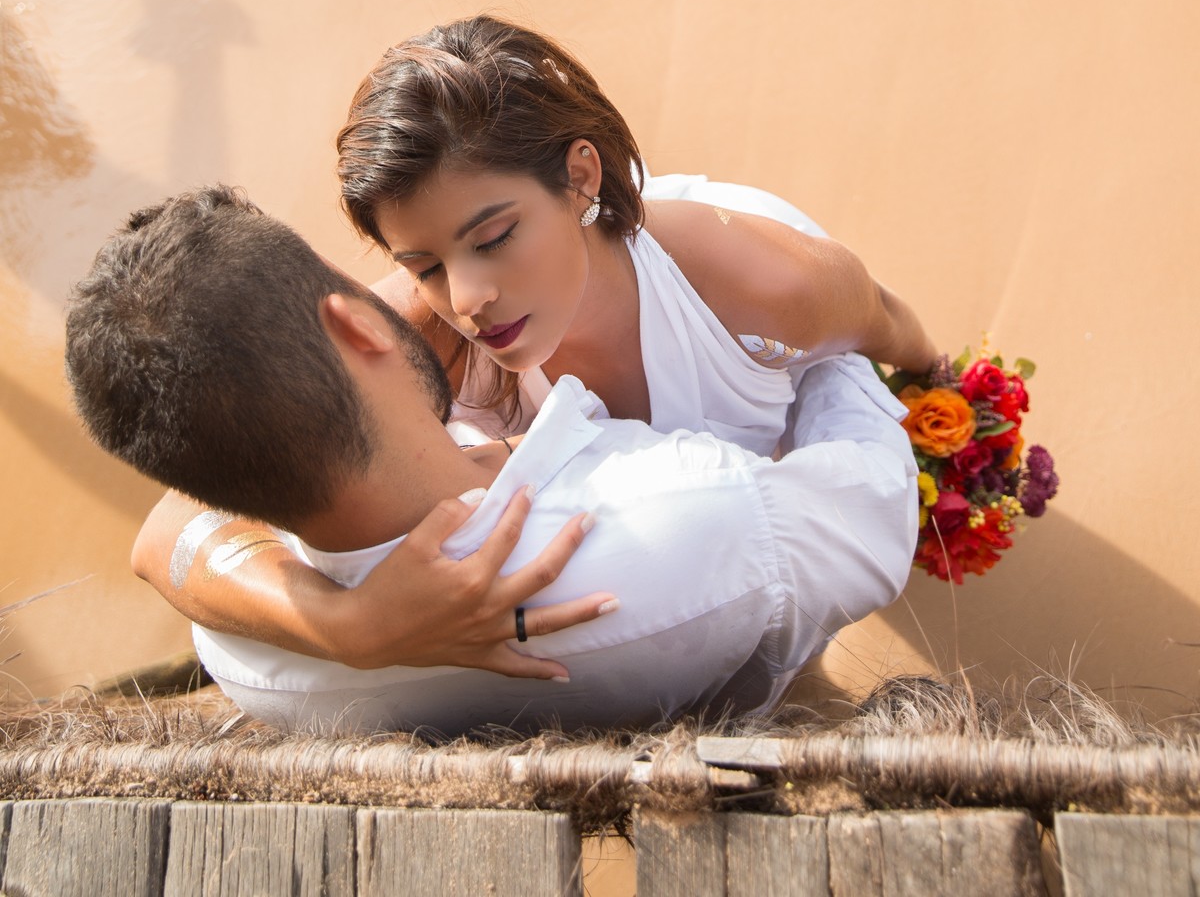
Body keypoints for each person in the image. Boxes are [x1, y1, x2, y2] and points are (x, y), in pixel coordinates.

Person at [131, 15, 936, 677]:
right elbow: (168, 529)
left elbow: (888, 322)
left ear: (581, 176)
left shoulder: (762, 284)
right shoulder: (424, 321)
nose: (469, 299)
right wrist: (348, 627)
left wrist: (943, 391)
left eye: (495, 236)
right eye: (425, 263)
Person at [66, 187, 917, 734]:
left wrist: (349, 629)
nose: (405, 295)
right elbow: (877, 500)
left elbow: (167, 536)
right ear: (359, 326)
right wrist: (823, 341)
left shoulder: (249, 653)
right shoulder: (698, 518)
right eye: (370, 285)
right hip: (738, 708)